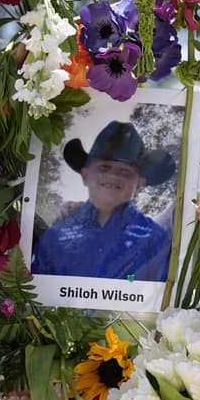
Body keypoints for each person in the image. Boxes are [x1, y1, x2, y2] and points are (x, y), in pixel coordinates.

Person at [32, 120, 176, 282]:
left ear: (139, 184)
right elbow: (39, 284)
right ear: (85, 175)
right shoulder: (57, 233)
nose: (112, 176)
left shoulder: (154, 239)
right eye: (104, 167)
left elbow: (160, 290)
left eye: (124, 171)